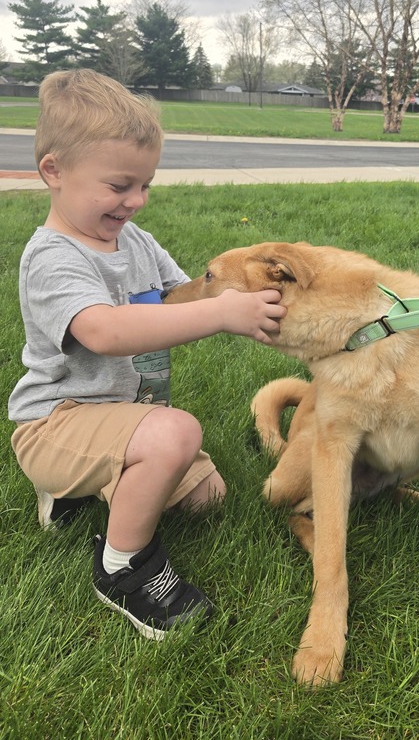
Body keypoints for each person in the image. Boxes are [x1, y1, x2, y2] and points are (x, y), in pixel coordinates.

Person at [9, 69, 286, 640]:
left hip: (122, 417)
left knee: (208, 498)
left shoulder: (134, 240)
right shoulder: (52, 257)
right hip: (54, 425)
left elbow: (181, 296)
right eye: (119, 185)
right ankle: (122, 568)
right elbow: (104, 332)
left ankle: (80, 492)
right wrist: (219, 315)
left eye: (145, 184)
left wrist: (246, 298)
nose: (135, 201)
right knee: (174, 433)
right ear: (54, 171)